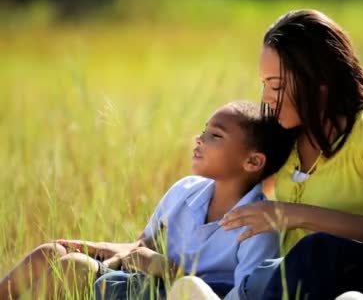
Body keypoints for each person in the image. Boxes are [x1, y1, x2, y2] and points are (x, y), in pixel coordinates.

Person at [170, 9, 363, 300]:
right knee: (246, 278)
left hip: (358, 273)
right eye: (264, 84)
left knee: (315, 250)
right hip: (287, 278)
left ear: (319, 80)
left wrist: (296, 215)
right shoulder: (287, 134)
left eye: (276, 85)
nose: (265, 97)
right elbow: (241, 188)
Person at [0, 100, 292, 299]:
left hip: (174, 292)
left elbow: (242, 295)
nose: (199, 139)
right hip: (143, 281)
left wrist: (164, 267)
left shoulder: (259, 224)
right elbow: (141, 247)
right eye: (204, 131)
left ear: (252, 161)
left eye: (215, 135)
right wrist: (97, 247)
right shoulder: (185, 190)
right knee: (49, 253)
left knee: (76, 266)